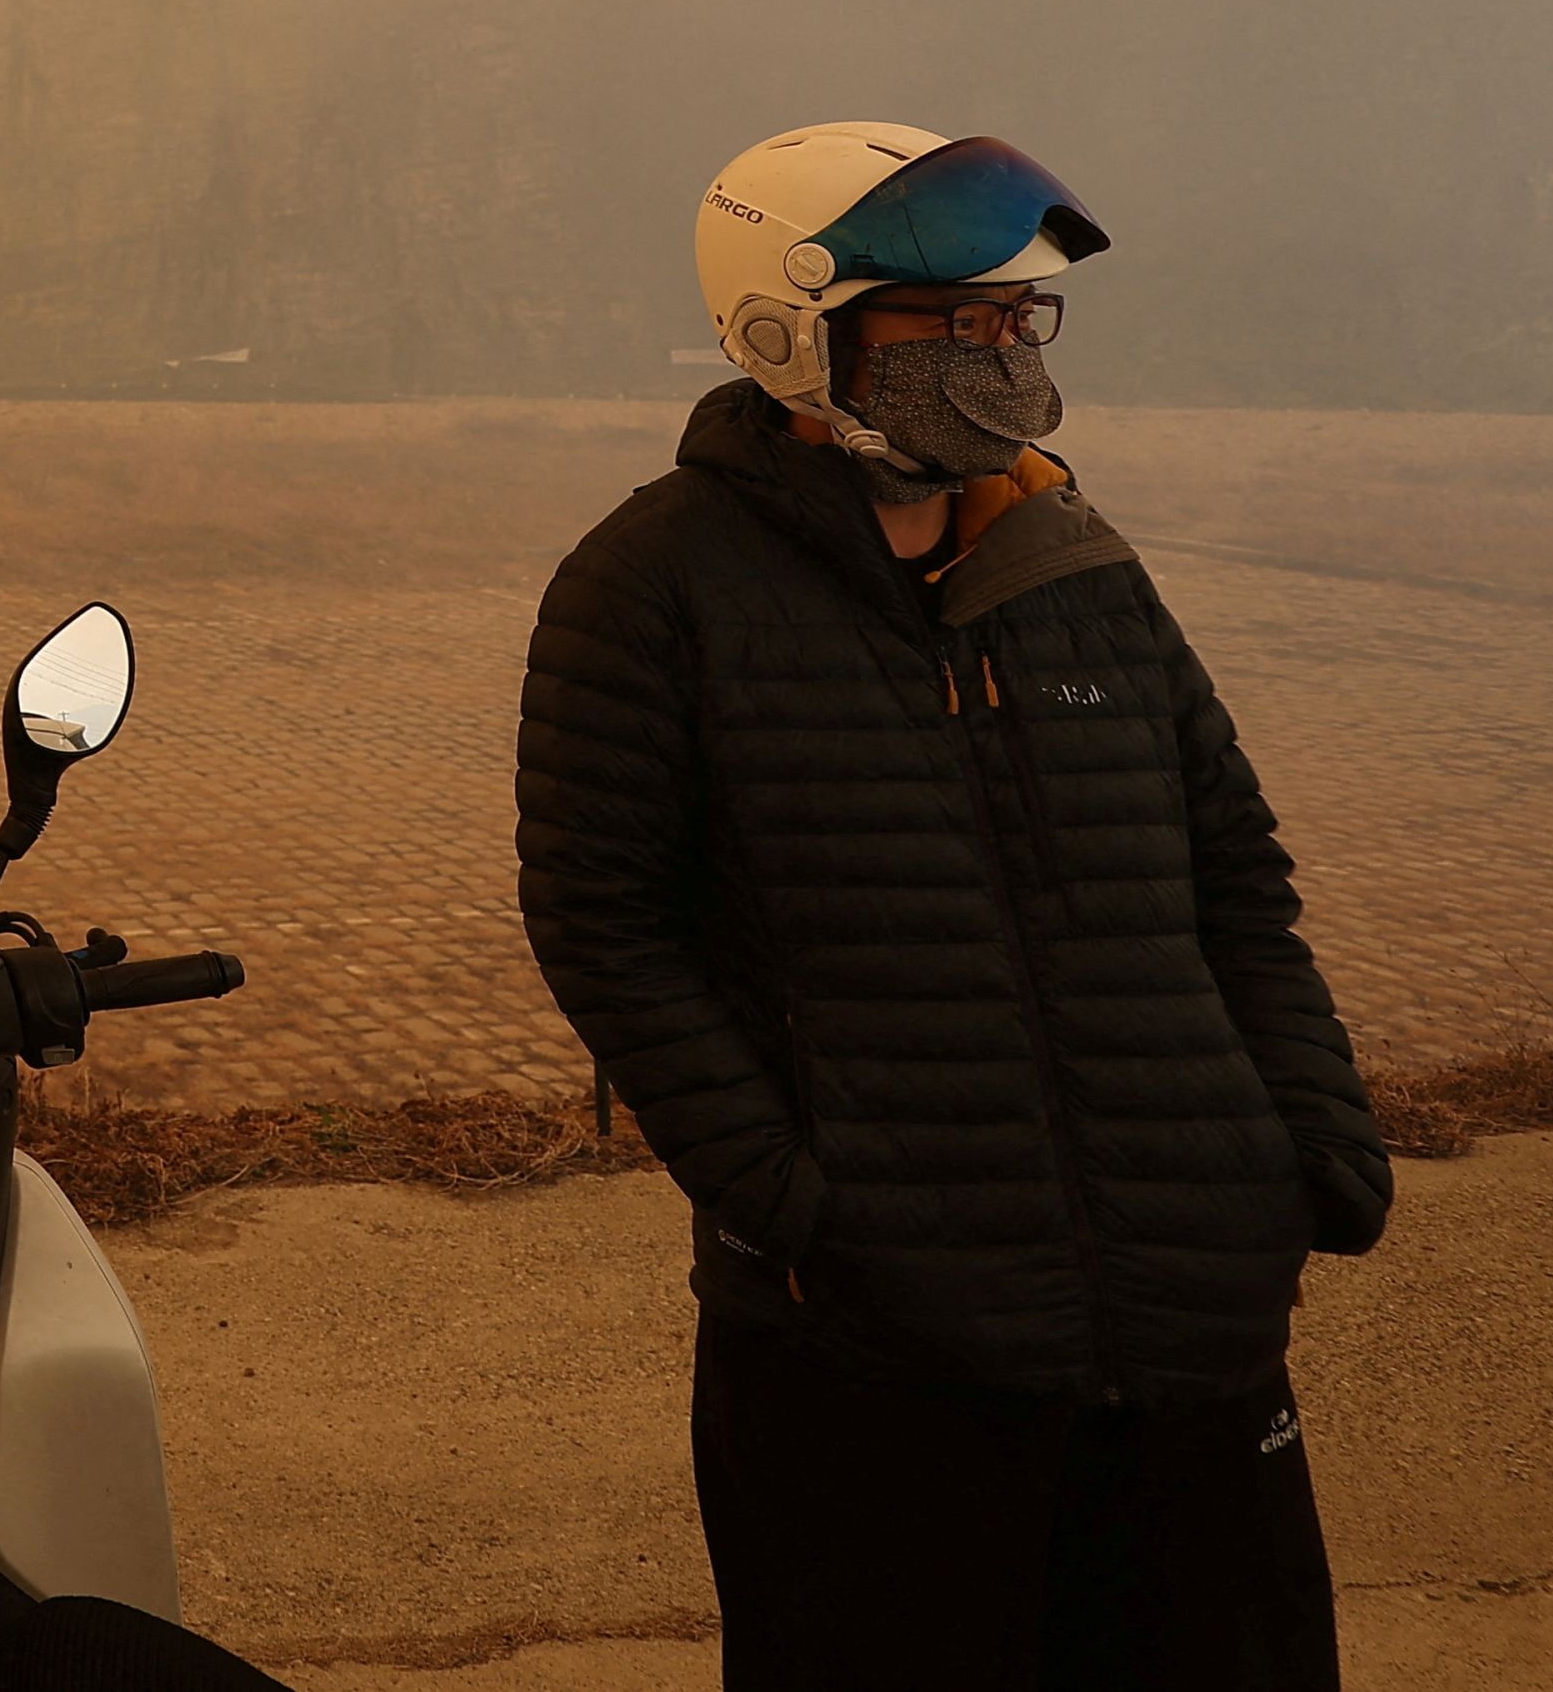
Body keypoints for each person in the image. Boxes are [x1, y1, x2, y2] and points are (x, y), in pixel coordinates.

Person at [517, 123, 1388, 1692]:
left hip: (1190, 1326)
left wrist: (1307, 1145)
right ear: (798, 328)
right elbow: (602, 920)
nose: (1001, 351)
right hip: (869, 1354)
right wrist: (797, 1205)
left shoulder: (1077, 567)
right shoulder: (653, 585)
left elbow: (1236, 881)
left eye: (1016, 316)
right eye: (955, 320)